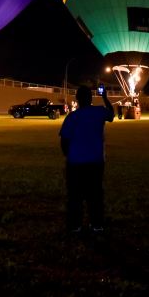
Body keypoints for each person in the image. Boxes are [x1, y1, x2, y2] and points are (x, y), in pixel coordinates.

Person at [59, 84, 114, 235]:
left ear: (77, 99)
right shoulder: (99, 112)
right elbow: (112, 114)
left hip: (75, 162)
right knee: (95, 194)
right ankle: (96, 224)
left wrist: (69, 156)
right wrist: (104, 98)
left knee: (75, 195)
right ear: (90, 98)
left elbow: (64, 140)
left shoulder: (72, 117)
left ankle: (75, 226)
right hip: (95, 162)